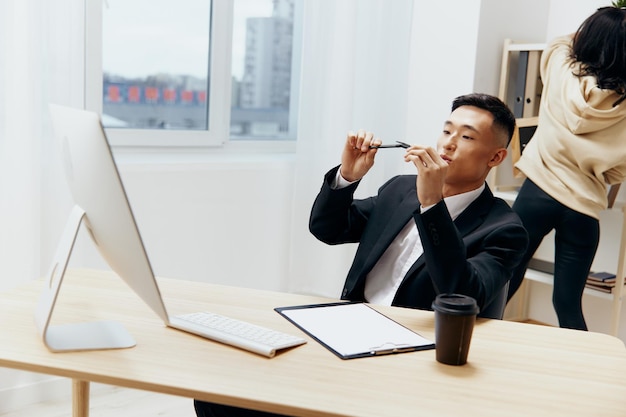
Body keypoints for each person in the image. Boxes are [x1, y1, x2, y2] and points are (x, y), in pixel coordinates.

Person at [193, 93, 529, 417]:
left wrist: (432, 206)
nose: (448, 144)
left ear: (496, 157)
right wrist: (348, 176)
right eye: (446, 131)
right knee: (216, 395)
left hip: (415, 359)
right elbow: (329, 229)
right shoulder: (400, 189)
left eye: (467, 137)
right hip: (349, 332)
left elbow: (461, 293)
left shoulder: (505, 229)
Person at [506, 6, 626, 331]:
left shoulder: (562, 69)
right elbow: (619, 172)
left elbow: (560, 42)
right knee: (567, 303)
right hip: (583, 208)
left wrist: (592, 36)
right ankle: (583, 378)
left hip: (536, 196)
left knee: (503, 283)